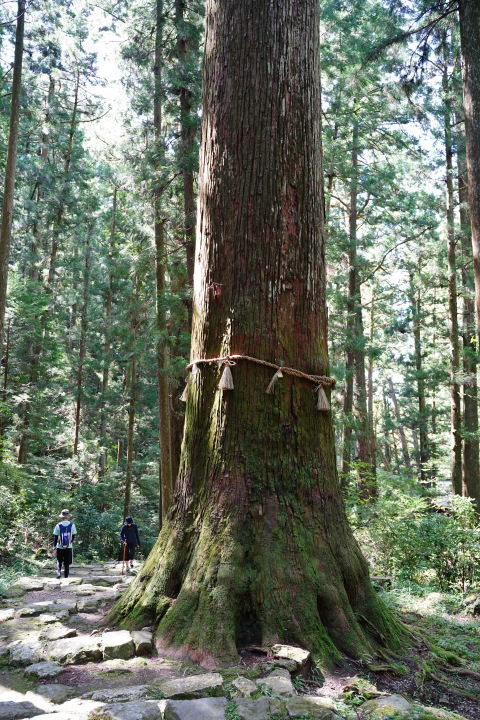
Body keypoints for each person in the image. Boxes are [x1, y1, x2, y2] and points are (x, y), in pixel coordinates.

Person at [53, 509, 77, 579]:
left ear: (62, 517)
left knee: (59, 561)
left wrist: (54, 548)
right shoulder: (72, 525)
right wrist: (69, 543)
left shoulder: (58, 525)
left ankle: (59, 572)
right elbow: (73, 536)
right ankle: (66, 577)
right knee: (66, 563)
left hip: (60, 547)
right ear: (68, 516)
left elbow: (55, 537)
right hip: (68, 547)